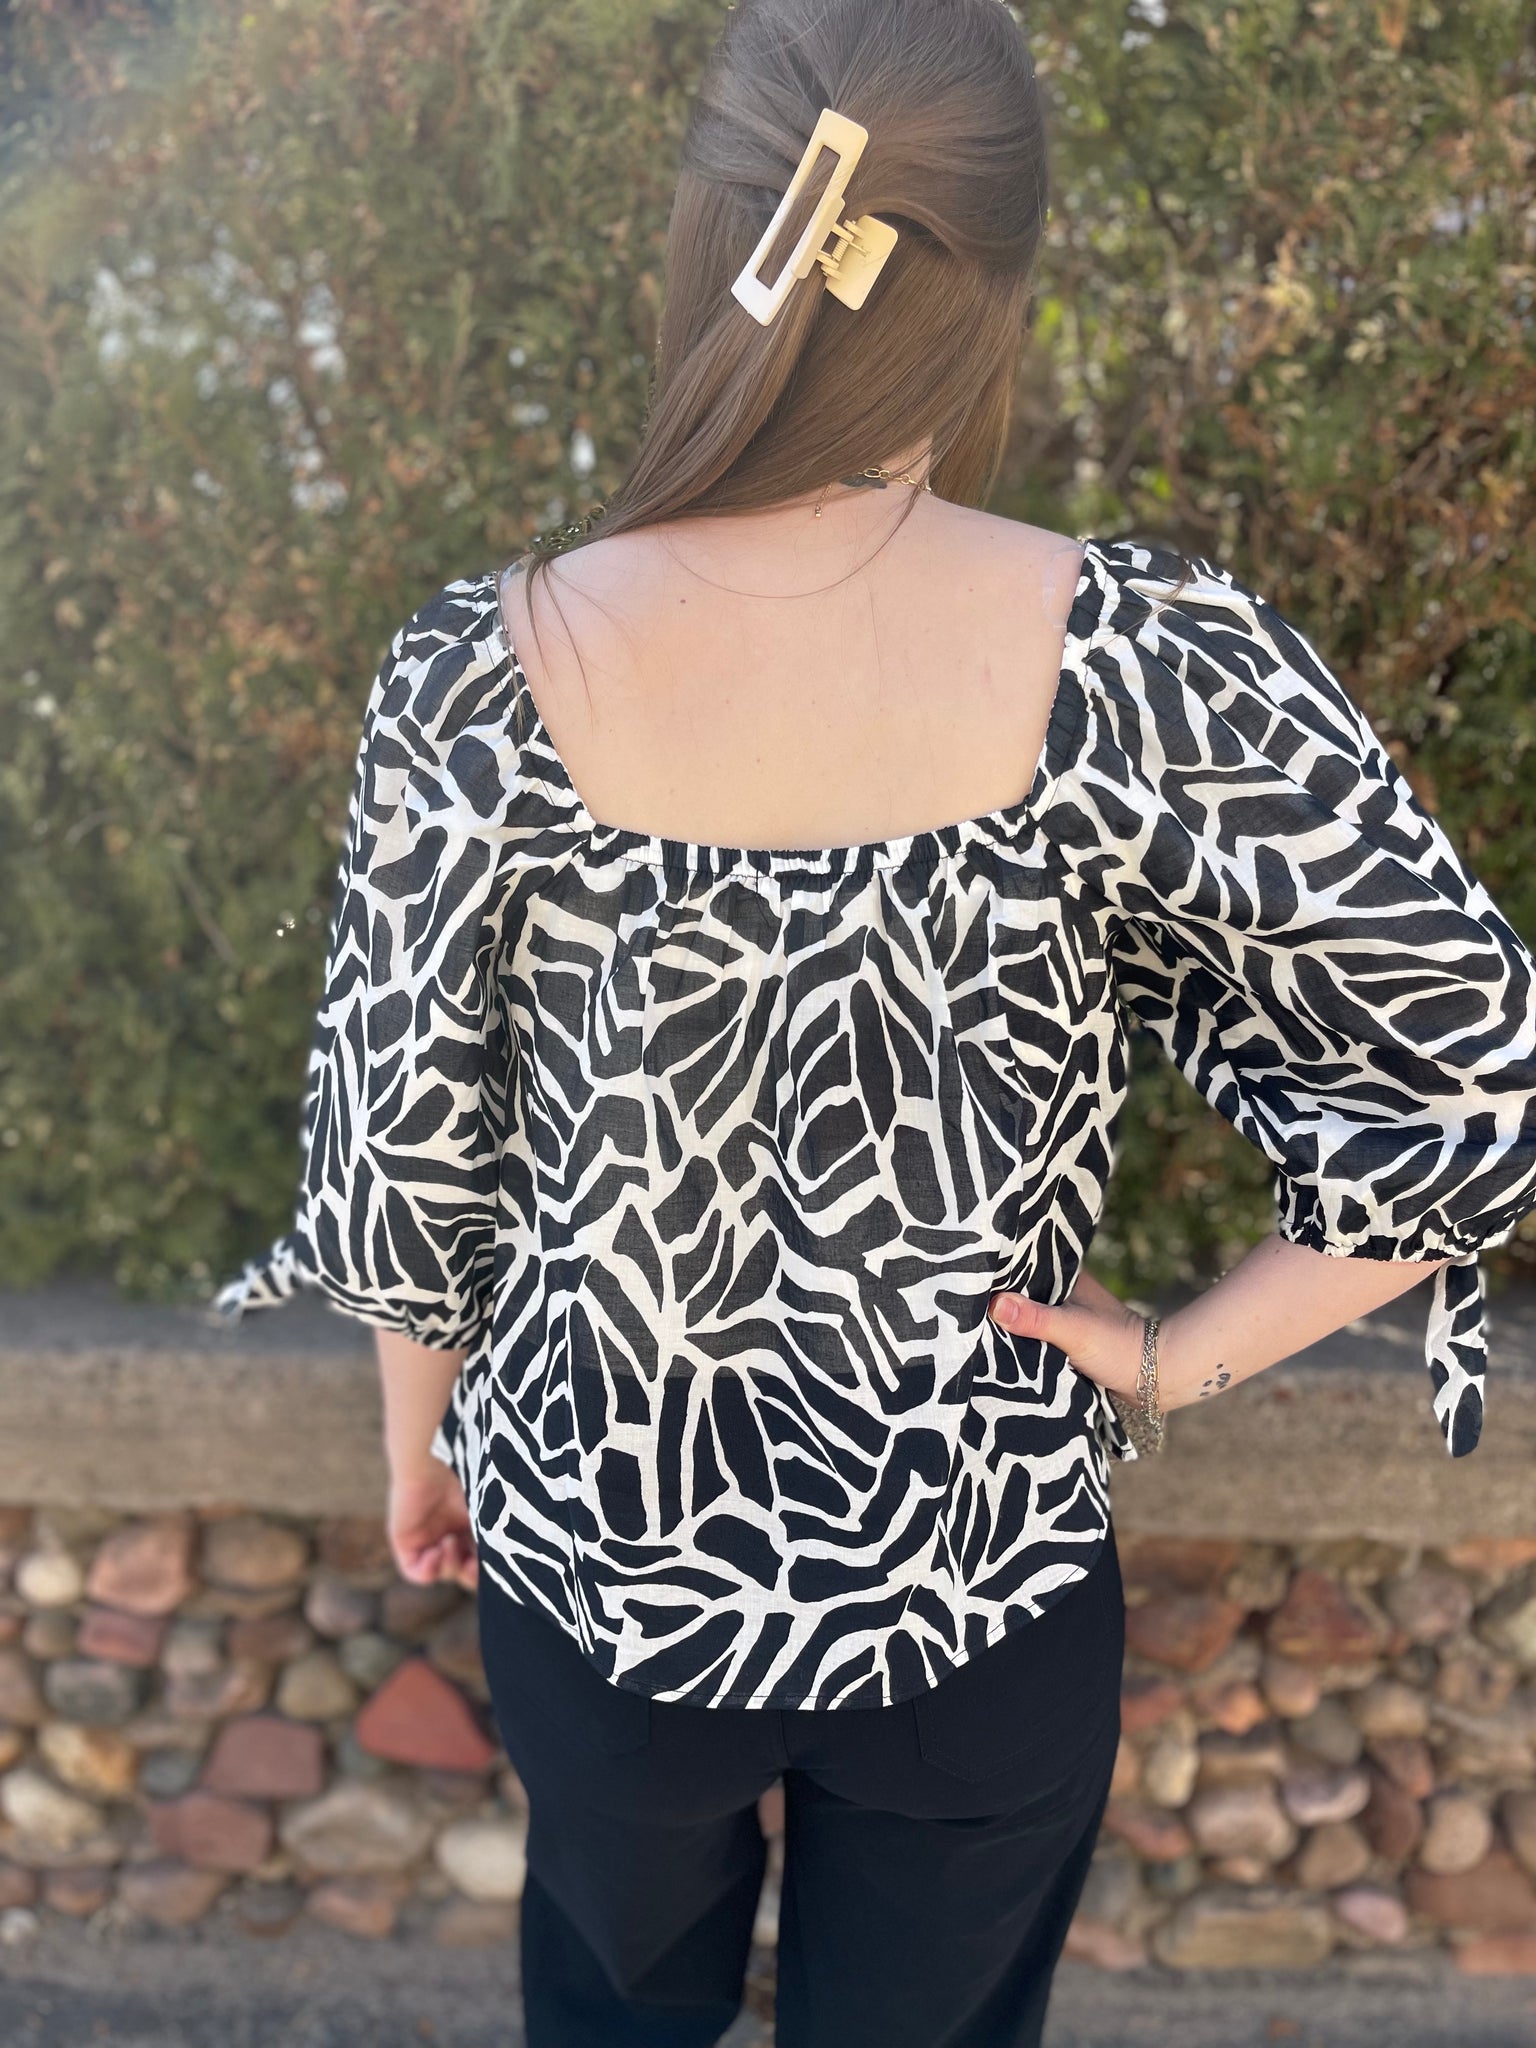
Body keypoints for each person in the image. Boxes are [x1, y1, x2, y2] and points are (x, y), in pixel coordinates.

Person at [212, 1, 1536, 2041]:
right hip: (978, 1589)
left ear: (708, 238)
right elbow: (1473, 1069)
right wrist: (1173, 1357)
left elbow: (400, 1163)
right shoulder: (1146, 661)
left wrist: (427, 1448)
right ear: (994, 282)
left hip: (601, 1578)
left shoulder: (480, 673)